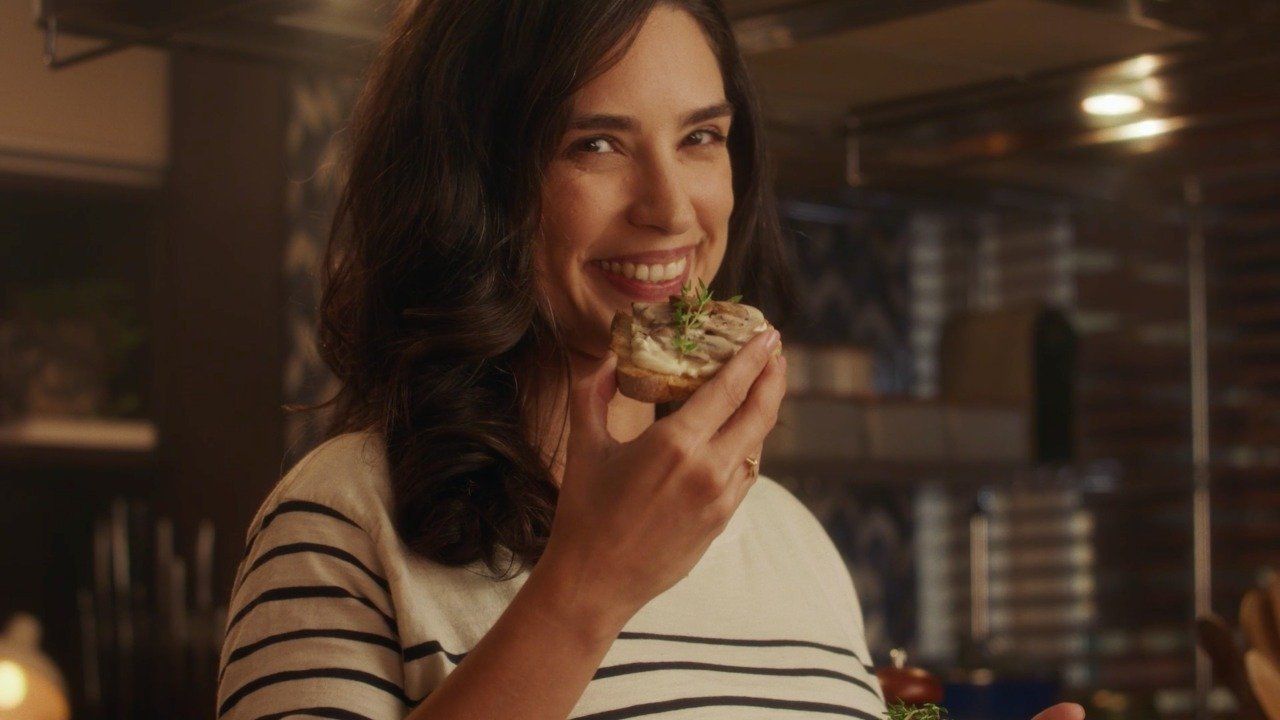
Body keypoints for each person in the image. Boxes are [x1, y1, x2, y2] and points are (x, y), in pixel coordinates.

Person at [215, 1, 1087, 719]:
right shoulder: (341, 522)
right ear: (469, 188)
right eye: (594, 144)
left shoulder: (792, 540)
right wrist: (588, 587)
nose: (671, 208)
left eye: (700, 139)